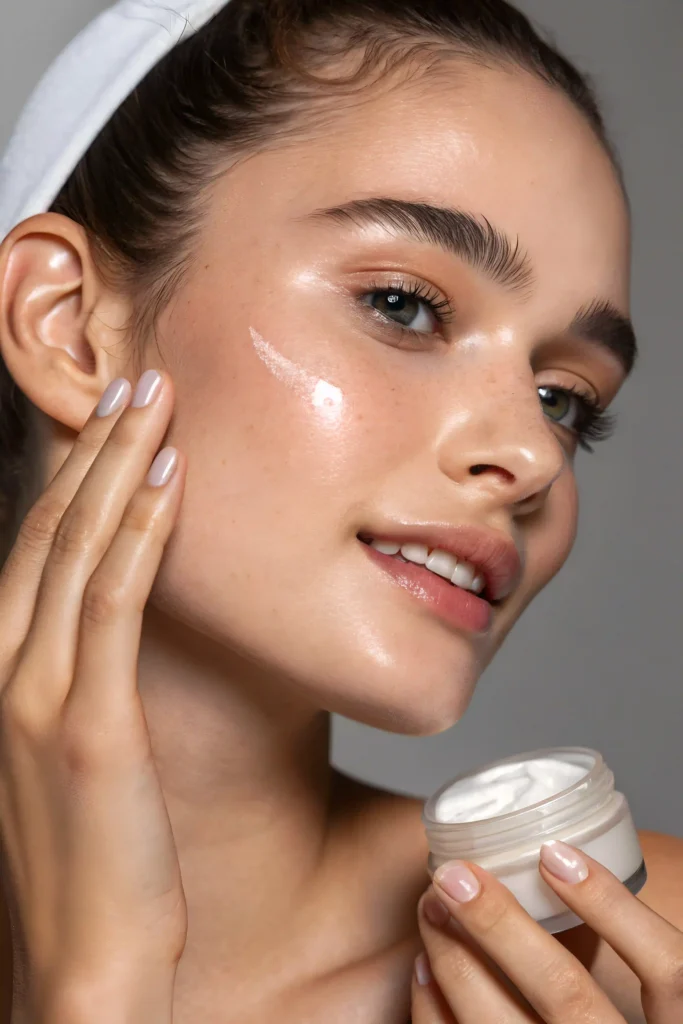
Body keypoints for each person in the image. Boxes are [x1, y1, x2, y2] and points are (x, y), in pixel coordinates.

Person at [0, 0, 681, 1021]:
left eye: (563, 400)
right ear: (68, 328)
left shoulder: (633, 948)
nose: (534, 453)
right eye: (403, 303)